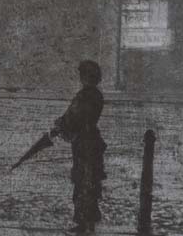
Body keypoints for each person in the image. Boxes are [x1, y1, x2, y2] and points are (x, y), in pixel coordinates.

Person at [50, 60, 107, 234]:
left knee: (84, 182)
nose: (82, 78)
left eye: (83, 74)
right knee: (87, 181)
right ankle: (85, 222)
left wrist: (60, 126)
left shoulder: (86, 96)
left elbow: (75, 117)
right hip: (88, 142)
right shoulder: (94, 95)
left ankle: (85, 224)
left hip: (85, 144)